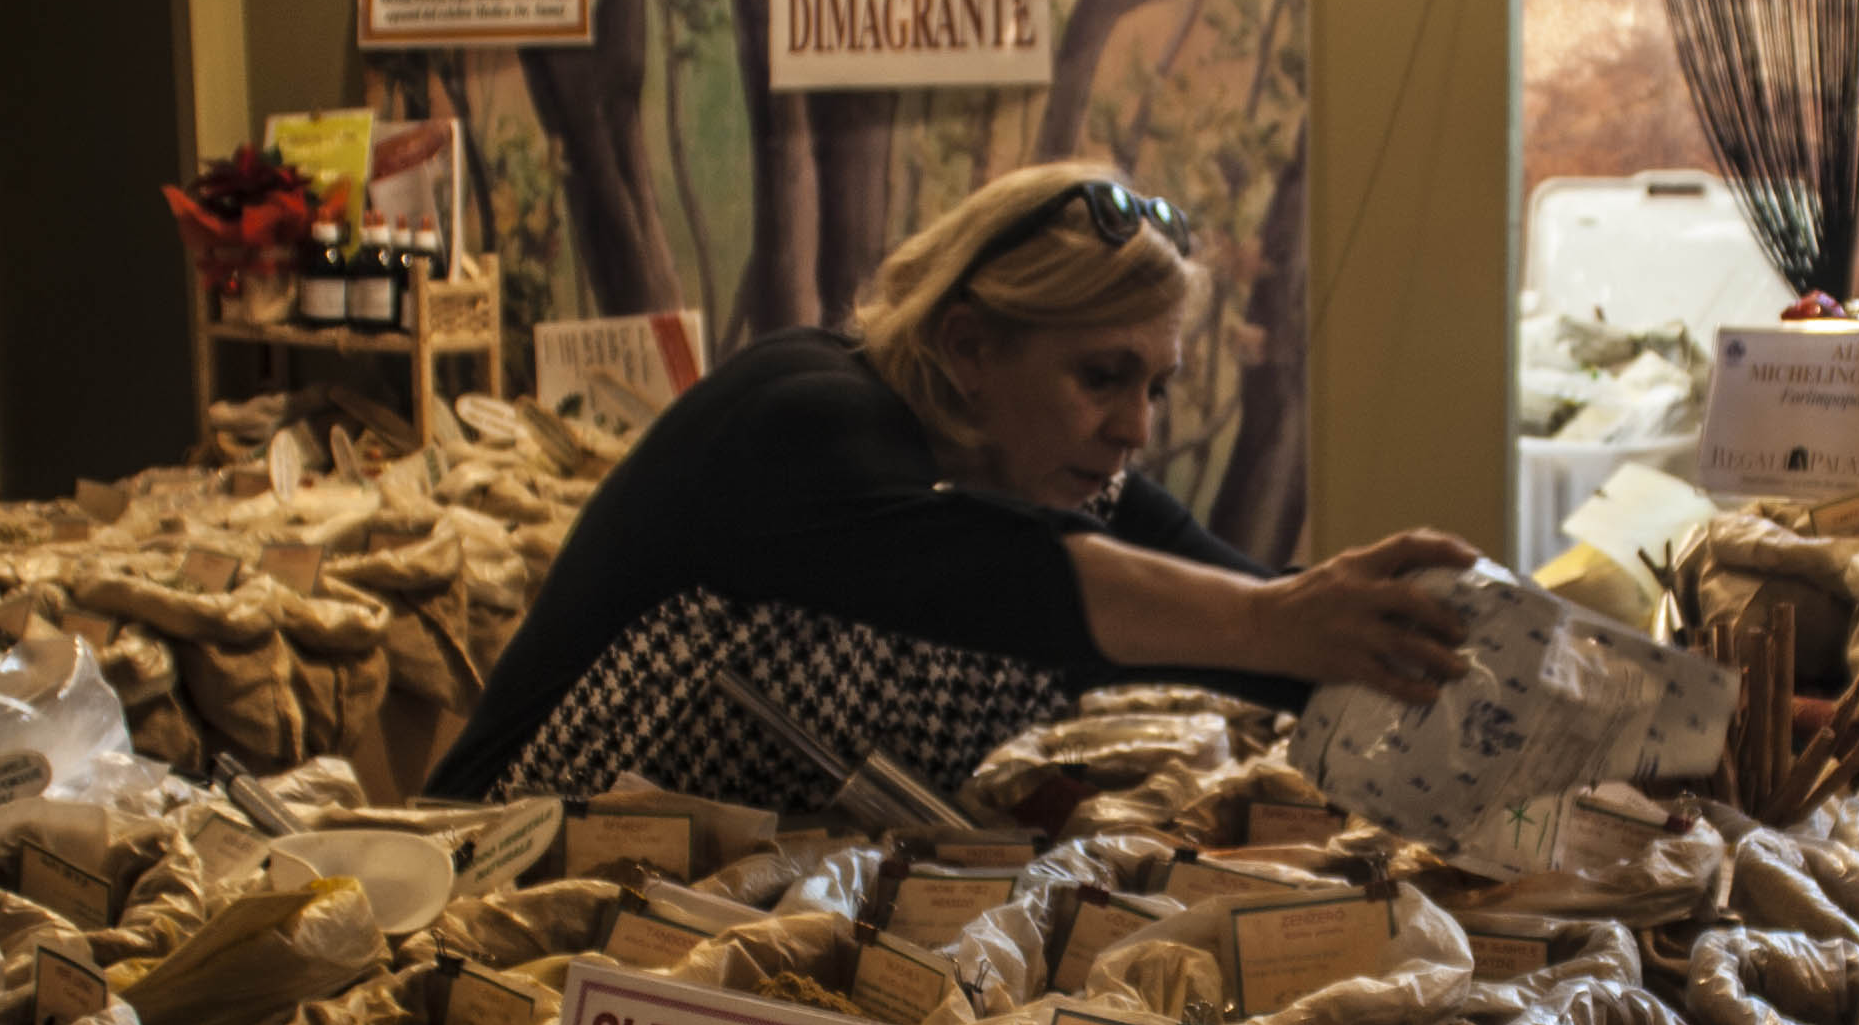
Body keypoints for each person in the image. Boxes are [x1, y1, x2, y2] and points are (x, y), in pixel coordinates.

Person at [428, 162, 1477, 807]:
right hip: (507, 883)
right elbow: (985, 576)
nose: (1134, 429)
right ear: (970, 345)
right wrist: (1272, 622)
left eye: (1156, 386)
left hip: (709, 921)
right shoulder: (801, 419)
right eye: (1101, 376)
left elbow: (1264, 626)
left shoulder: (1067, 481)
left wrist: (1466, 671)